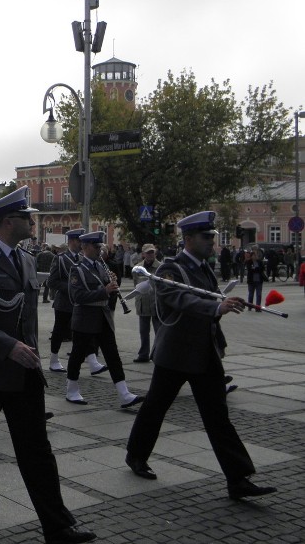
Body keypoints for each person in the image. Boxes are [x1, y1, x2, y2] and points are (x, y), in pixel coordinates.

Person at [0, 186, 95, 544]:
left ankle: (58, 526)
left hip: (24, 370)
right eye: (27, 217)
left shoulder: (27, 259)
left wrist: (29, 353)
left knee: (37, 450)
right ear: (8, 222)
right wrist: (7, 347)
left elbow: (25, 319)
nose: (33, 222)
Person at [125, 211, 277, 500]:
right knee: (155, 408)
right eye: (206, 237)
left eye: (213, 237)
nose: (212, 242)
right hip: (176, 354)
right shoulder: (171, 268)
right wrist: (215, 308)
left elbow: (210, 298)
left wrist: (225, 301)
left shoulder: (206, 267)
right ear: (188, 238)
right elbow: (178, 298)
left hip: (204, 354)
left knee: (218, 417)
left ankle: (238, 478)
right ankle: (135, 455)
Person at [65, 232, 143, 408]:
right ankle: (72, 390)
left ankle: (124, 394)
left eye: (100, 246)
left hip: (103, 317)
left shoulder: (101, 266)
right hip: (85, 318)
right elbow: (77, 296)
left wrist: (114, 286)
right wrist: (105, 291)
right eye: (96, 246)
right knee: (77, 355)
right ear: (85, 247)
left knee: (112, 355)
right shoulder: (77, 269)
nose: (100, 250)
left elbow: (108, 290)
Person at [47, 230, 106, 376]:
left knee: (84, 332)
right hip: (64, 302)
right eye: (79, 241)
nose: (81, 244)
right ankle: (54, 360)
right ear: (72, 241)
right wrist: (71, 287)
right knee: (59, 331)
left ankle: (93, 362)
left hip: (79, 303)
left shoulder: (82, 258)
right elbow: (52, 281)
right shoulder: (60, 258)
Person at [132, 244, 161, 363]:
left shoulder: (160, 267)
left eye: (152, 252)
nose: (150, 255)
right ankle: (143, 354)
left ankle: (157, 354)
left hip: (156, 304)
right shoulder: (138, 268)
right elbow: (136, 284)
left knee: (159, 331)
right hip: (143, 303)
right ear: (143, 254)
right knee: (143, 332)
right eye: (148, 253)